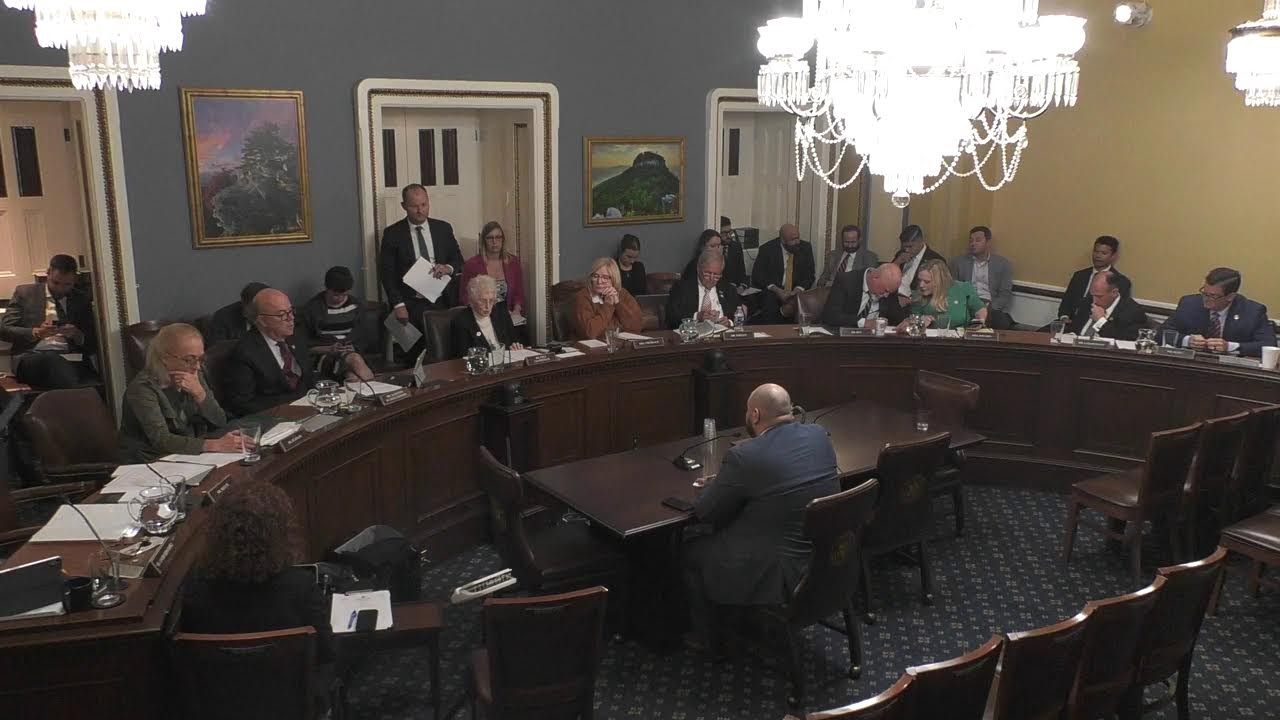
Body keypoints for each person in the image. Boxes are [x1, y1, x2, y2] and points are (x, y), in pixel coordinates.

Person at [682, 383, 839, 648]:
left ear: (754, 415)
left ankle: (710, 638)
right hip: (822, 557)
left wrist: (716, 484)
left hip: (779, 569)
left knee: (690, 546)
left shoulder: (744, 456)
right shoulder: (819, 435)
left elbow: (706, 512)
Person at [179, 482, 335, 696]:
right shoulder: (301, 587)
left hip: (219, 703)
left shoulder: (194, 592)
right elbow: (327, 651)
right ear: (282, 533)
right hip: (290, 701)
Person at [118, 324, 248, 462]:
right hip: (149, 461)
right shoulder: (142, 389)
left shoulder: (194, 373)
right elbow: (161, 440)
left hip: (188, 454)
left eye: (201, 359)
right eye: (189, 360)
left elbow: (220, 421)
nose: (197, 366)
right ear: (164, 358)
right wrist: (214, 445)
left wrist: (200, 395)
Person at [378, 184, 465, 338]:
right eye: (414, 206)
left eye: (424, 205)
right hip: (411, 302)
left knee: (447, 345)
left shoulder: (443, 228)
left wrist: (448, 268)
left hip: (442, 299)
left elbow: (458, 259)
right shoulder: (393, 234)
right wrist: (398, 304)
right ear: (404, 206)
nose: (420, 210)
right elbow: (387, 274)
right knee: (415, 351)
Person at [0, 254, 98, 389]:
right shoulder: (25, 293)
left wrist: (76, 334)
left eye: (67, 284)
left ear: (74, 279)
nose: (60, 289)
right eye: (56, 283)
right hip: (32, 357)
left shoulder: (80, 299)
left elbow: (93, 340)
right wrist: (35, 332)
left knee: (63, 368)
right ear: (48, 273)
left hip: (71, 357)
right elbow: (4, 329)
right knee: (53, 362)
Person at [220, 288, 315, 417]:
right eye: (282, 315)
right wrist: (291, 407)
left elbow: (308, 377)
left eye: (291, 311)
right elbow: (243, 404)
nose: (291, 318)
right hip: (275, 418)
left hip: (309, 407)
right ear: (262, 320)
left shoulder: (296, 336)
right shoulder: (244, 353)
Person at [1159, 267, 1276, 357]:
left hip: (1230, 373)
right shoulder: (1189, 303)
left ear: (1230, 296)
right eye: (1204, 293)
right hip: (1191, 367)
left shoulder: (1252, 311)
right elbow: (1160, 333)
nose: (1205, 299)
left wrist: (1229, 346)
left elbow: (1268, 346)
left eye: (1213, 296)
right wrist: (1187, 340)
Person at [298, 266, 374, 383]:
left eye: (344, 294)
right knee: (355, 360)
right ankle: (378, 394)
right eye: (336, 295)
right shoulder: (313, 308)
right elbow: (304, 346)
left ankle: (363, 398)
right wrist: (328, 349)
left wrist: (354, 347)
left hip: (351, 352)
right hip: (323, 356)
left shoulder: (356, 306)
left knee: (353, 376)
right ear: (327, 288)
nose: (340, 299)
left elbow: (363, 337)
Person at [1057, 236, 1132, 324]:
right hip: (1069, 322)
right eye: (1096, 252)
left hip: (1096, 326)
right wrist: (1064, 317)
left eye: (1103, 253)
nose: (1098, 256)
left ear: (1113, 256)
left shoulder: (1121, 282)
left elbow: (1118, 312)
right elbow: (1066, 302)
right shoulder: (1080, 275)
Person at [950, 226, 1014, 328]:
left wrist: (990, 308)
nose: (973, 244)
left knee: (1002, 322)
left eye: (978, 240)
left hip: (991, 306)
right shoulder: (958, 263)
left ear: (988, 242)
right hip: (967, 304)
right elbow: (954, 288)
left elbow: (1005, 293)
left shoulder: (1003, 264)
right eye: (971, 241)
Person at [750, 224, 815, 322]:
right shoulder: (767, 249)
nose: (797, 242)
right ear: (783, 240)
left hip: (796, 290)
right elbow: (757, 275)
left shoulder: (805, 248)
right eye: (793, 239)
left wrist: (798, 289)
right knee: (769, 301)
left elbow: (810, 275)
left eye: (798, 238)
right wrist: (777, 290)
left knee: (806, 301)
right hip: (774, 291)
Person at [461, 221, 526, 319]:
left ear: (503, 240)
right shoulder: (472, 265)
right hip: (481, 317)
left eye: (498, 237)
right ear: (484, 241)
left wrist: (516, 312)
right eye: (490, 238)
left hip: (508, 317)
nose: (494, 242)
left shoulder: (513, 262)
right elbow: (465, 298)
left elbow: (518, 294)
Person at [570, 258, 644, 341]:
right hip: (591, 349)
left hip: (620, 346)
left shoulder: (623, 294)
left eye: (605, 277)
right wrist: (608, 305)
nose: (599, 281)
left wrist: (617, 304)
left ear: (614, 279)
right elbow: (590, 333)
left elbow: (637, 327)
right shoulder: (582, 297)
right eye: (595, 276)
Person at [451, 275, 525, 357]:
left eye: (491, 300)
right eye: (483, 301)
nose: (488, 306)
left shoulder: (501, 313)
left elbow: (513, 341)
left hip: (507, 363)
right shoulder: (462, 321)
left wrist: (516, 347)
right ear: (472, 299)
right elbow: (463, 355)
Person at [901, 260, 987, 330]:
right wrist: (921, 322)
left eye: (927, 282)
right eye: (920, 280)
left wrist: (979, 322)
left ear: (940, 281)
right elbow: (913, 322)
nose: (921, 285)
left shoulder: (963, 288)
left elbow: (979, 309)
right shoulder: (918, 295)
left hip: (960, 340)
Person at [666, 249, 742, 329]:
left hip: (722, 335)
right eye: (707, 273)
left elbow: (739, 315)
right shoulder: (682, 288)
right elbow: (672, 318)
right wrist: (697, 317)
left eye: (716, 275)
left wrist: (729, 323)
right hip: (693, 335)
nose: (711, 278)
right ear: (699, 269)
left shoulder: (728, 289)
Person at [820, 262, 906, 328]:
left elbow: (898, 317)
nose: (886, 295)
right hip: (845, 339)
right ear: (875, 277)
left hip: (875, 342)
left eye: (889, 292)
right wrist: (864, 322)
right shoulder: (846, 280)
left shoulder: (889, 287)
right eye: (886, 290)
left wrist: (906, 322)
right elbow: (831, 316)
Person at [1069, 270, 1147, 340]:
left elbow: (1122, 341)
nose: (1094, 300)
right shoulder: (1087, 301)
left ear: (1114, 293)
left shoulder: (1133, 312)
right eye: (1092, 294)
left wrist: (1100, 321)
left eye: (1099, 296)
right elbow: (1074, 328)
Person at [893, 225, 945, 306]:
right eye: (904, 247)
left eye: (910, 246)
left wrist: (910, 300)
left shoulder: (935, 259)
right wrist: (897, 262)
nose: (907, 250)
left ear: (921, 241)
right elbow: (887, 276)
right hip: (894, 300)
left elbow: (939, 290)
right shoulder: (901, 254)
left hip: (916, 304)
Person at [207, 281, 269, 346]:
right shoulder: (223, 318)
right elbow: (216, 351)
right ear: (244, 304)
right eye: (256, 308)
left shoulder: (277, 315)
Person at [719, 216, 748, 287]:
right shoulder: (714, 248)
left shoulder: (736, 246)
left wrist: (742, 285)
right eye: (724, 233)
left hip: (736, 288)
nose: (729, 236)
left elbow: (742, 272)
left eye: (730, 232)